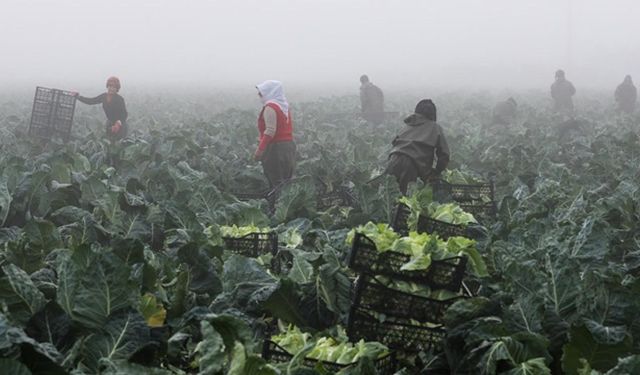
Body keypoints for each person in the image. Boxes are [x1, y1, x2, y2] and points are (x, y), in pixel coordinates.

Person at [386, 99, 450, 194]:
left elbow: (394, 142)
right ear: (433, 115)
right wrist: (436, 172)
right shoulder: (435, 127)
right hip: (410, 165)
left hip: (393, 160)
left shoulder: (406, 126)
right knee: (407, 200)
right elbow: (444, 154)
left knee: (390, 197)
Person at [253, 80, 296, 188]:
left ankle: (275, 204)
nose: (259, 95)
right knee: (286, 181)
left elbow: (270, 131)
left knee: (276, 182)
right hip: (288, 146)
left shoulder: (270, 107)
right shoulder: (283, 106)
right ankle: (287, 204)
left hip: (275, 149)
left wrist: (260, 150)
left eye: (261, 92)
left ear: (269, 92)